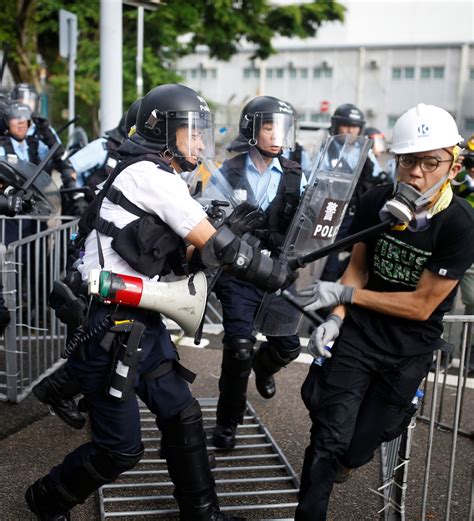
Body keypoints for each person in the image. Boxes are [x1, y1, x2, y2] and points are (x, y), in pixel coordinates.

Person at [25, 84, 296, 521]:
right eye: (192, 132)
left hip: (139, 320)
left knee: (182, 413)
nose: (201, 143)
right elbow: (217, 247)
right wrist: (269, 269)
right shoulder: (150, 176)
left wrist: (228, 241)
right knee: (121, 449)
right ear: (163, 132)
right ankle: (46, 498)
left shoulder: (156, 175)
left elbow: (187, 252)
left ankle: (203, 514)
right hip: (109, 327)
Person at [293, 103, 474, 521]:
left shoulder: (460, 223)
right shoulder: (377, 199)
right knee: (327, 438)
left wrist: (348, 297)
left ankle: (352, 457)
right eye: (408, 160)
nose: (416, 172)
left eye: (431, 162)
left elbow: (423, 304)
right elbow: (357, 267)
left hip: (409, 348)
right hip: (358, 337)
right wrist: (338, 316)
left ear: (453, 165)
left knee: (360, 445)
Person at [31, 98, 143, 431]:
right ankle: (67, 392)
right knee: (88, 332)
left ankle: (87, 397)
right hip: (87, 249)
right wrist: (79, 199)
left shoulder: (147, 164)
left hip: (120, 256)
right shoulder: (104, 147)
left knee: (111, 339)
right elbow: (69, 169)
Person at [210, 95, 305, 450]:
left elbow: (310, 225)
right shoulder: (228, 171)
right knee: (237, 349)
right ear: (252, 129)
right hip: (239, 273)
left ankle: (265, 367)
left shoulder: (298, 175)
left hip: (278, 271)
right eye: (268, 127)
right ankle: (227, 423)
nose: (276, 135)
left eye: (281, 128)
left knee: (289, 345)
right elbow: (208, 217)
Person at [320, 103, 384, 282]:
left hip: (357, 212)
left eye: (354, 126)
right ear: (336, 126)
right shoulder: (326, 149)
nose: (350, 131)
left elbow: (378, 178)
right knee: (328, 255)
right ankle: (325, 292)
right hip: (332, 210)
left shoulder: (366, 152)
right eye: (346, 125)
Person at [0, 101, 87, 216]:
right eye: (15, 118)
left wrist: (47, 131)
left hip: (37, 209)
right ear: (7, 122)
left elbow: (59, 156)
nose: (21, 122)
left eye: (24, 118)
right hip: (11, 212)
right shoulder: (2, 147)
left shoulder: (36, 145)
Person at [69, 98, 141, 190]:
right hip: (88, 201)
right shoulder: (103, 147)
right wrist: (77, 197)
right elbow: (69, 168)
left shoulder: (142, 157)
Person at [453, 136, 474, 374]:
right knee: (444, 300)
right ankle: (441, 350)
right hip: (453, 240)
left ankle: (470, 353)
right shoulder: (458, 175)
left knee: (473, 302)